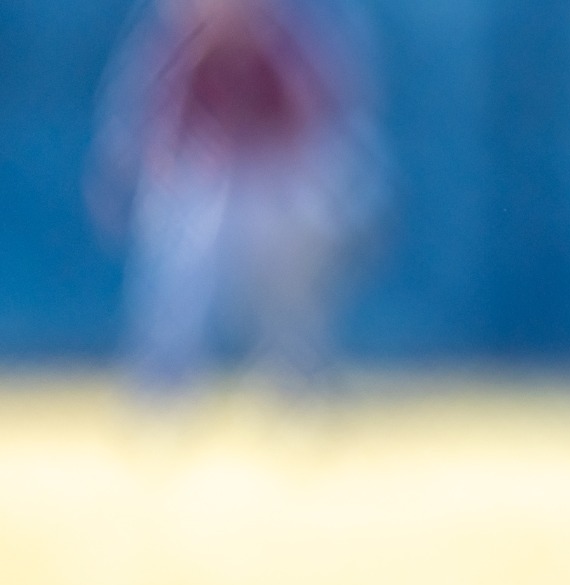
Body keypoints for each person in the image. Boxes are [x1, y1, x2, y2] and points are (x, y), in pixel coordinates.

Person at [85, 0, 383, 405]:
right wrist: (134, 182)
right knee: (181, 275)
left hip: (276, 175)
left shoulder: (288, 40)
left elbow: (328, 128)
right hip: (212, 174)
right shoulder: (180, 42)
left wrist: (335, 200)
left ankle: (304, 387)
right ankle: (162, 392)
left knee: (288, 291)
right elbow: (149, 127)